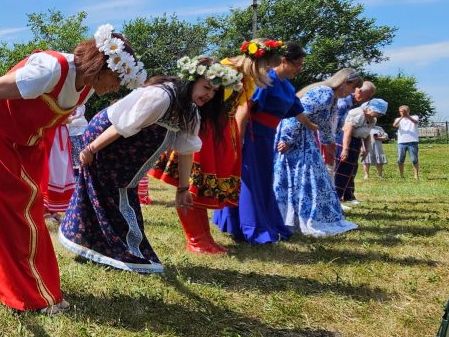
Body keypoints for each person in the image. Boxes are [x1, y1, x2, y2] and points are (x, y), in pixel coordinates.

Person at [0, 24, 143, 314]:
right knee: (20, 216)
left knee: (16, 212)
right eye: (116, 78)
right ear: (99, 64)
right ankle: (31, 294)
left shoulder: (87, 87)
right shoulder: (50, 68)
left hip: (28, 146)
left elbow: (54, 117)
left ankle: (4, 276)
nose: (115, 88)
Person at [59, 58, 229, 272]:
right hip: (106, 140)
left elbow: (185, 151)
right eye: (206, 87)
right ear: (191, 81)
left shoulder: (191, 112)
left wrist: (183, 189)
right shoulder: (161, 96)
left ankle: (106, 249)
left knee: (115, 195)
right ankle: (122, 252)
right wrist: (90, 149)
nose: (209, 95)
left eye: (214, 92)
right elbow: (123, 126)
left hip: (125, 150)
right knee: (112, 195)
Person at [149, 39, 281, 254]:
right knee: (192, 184)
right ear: (258, 61)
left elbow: (238, 111)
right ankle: (196, 239)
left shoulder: (245, 79)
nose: (268, 72)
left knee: (200, 188)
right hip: (204, 131)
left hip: (219, 134)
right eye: (267, 66)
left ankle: (204, 237)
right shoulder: (223, 69)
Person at [215, 41, 316, 244]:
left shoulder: (287, 86)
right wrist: (238, 140)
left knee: (262, 181)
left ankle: (266, 222)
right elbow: (244, 109)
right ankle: (248, 227)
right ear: (283, 61)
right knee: (250, 180)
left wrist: (313, 126)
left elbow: (297, 111)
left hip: (266, 138)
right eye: (298, 63)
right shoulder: (265, 79)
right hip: (252, 135)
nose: (300, 68)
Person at [274, 69, 360, 237]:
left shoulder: (331, 96)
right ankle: (293, 216)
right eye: (353, 88)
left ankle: (297, 216)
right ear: (345, 83)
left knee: (310, 177)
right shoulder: (325, 92)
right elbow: (298, 114)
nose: (352, 93)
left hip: (303, 136)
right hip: (296, 136)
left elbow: (324, 123)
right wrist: (287, 138)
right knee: (301, 176)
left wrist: (329, 143)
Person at [335, 98, 388, 205]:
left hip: (356, 142)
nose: (377, 115)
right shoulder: (357, 114)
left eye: (380, 114)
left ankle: (348, 196)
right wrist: (345, 149)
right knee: (341, 170)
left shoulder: (372, 119)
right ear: (368, 108)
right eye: (377, 112)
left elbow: (367, 134)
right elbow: (347, 131)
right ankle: (336, 199)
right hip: (345, 141)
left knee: (351, 171)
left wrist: (367, 149)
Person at [392, 105, 421, 179]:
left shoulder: (414, 117)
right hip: (401, 142)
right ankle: (401, 175)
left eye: (404, 111)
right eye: (401, 111)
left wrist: (407, 116)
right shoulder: (398, 119)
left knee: (414, 159)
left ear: (408, 111)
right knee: (400, 160)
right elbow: (394, 125)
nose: (402, 113)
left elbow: (415, 122)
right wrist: (402, 117)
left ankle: (416, 175)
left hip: (413, 141)